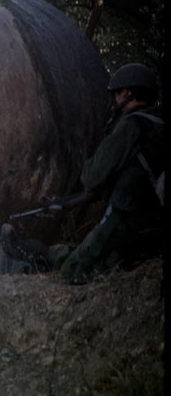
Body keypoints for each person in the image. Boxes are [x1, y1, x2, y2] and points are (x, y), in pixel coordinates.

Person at [53, 63, 163, 283]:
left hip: (125, 216)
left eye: (116, 94)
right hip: (151, 224)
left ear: (127, 93)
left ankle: (30, 256)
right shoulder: (158, 126)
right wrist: (67, 204)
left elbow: (93, 176)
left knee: (72, 272)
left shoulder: (131, 126)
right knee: (108, 263)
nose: (114, 101)